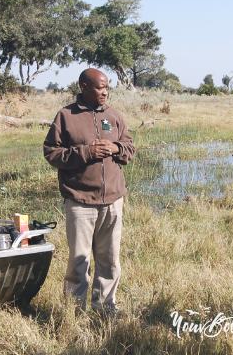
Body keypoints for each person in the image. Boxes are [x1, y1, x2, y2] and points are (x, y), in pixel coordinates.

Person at [43, 68, 136, 313]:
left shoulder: (114, 115)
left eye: (107, 88)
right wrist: (86, 152)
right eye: (99, 88)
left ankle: (105, 308)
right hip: (80, 201)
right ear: (84, 87)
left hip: (113, 201)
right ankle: (74, 312)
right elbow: (51, 153)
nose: (105, 92)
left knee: (110, 259)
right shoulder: (66, 116)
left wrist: (116, 148)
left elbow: (129, 148)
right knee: (78, 261)